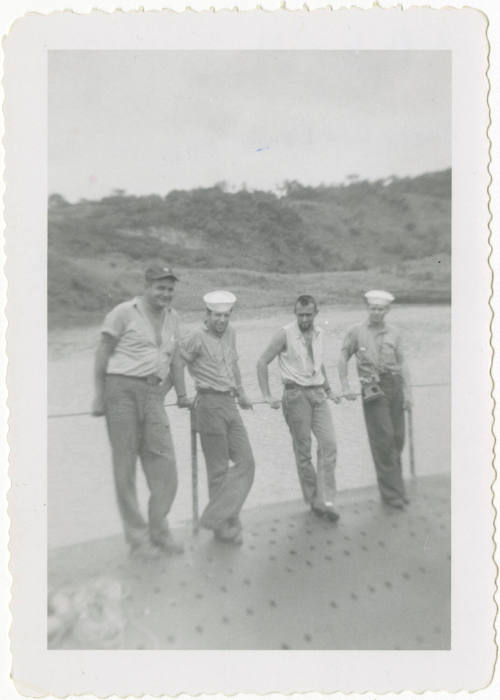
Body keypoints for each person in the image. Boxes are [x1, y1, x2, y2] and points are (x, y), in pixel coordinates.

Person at [91, 264, 189, 560]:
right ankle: (138, 538)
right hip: (120, 391)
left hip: (153, 392)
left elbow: (175, 360)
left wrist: (181, 393)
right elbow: (102, 353)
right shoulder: (123, 312)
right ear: (146, 287)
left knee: (166, 466)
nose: (165, 293)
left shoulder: (174, 318)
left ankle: (159, 530)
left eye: (170, 288)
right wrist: (99, 395)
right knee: (125, 468)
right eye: (160, 287)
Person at [179, 290, 255, 545]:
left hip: (230, 402)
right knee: (218, 470)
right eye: (217, 316)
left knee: (247, 462)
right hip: (208, 403)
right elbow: (177, 362)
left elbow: (233, 365)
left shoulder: (231, 333)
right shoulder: (195, 337)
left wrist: (242, 392)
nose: (222, 320)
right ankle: (223, 525)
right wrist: (180, 394)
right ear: (207, 314)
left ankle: (215, 516)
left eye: (226, 315)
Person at [256, 294, 341, 521]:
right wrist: (266, 395)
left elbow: (319, 364)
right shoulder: (284, 333)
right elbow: (262, 362)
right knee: (303, 451)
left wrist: (330, 389)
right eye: (300, 314)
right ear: (296, 313)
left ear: (316, 313)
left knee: (329, 444)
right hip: (295, 396)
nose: (304, 319)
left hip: (318, 393)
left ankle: (327, 499)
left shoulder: (320, 333)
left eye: (308, 314)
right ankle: (315, 501)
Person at [338, 289, 412, 509]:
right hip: (373, 389)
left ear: (387, 310)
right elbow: (343, 357)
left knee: (398, 438)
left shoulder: (395, 333)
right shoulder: (356, 331)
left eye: (380, 309)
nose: (376, 313)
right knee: (384, 439)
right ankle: (391, 494)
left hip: (395, 386)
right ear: (367, 309)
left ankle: (395, 487)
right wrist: (345, 385)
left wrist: (408, 392)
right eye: (372, 308)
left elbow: (403, 362)